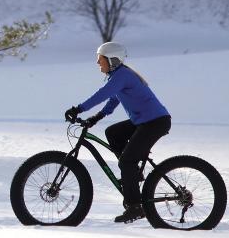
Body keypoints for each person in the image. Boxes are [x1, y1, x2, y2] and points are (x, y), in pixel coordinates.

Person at [65, 40, 171, 224]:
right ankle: (133, 173)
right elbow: (113, 100)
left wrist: (79, 109)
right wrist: (97, 117)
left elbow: (103, 93)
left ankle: (135, 206)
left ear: (112, 60)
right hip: (145, 121)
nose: (98, 63)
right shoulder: (120, 76)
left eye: (101, 59)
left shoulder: (121, 76)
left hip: (154, 123)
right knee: (113, 133)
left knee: (126, 161)